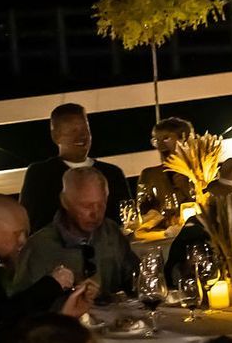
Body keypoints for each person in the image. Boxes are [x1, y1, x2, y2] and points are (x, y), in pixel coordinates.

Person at [0, 193, 91, 322]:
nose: (23, 241)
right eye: (17, 234)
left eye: (25, 234)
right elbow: (1, 318)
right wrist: (51, 284)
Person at [13, 166, 138, 296]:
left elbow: (135, 279)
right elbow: (24, 306)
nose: (95, 214)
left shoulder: (111, 232)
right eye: (86, 206)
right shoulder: (39, 247)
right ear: (65, 202)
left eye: (101, 205)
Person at [19, 102, 127, 231]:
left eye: (85, 129)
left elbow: (126, 221)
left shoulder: (112, 173)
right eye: (73, 131)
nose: (81, 136)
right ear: (56, 136)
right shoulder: (40, 174)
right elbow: (30, 223)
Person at [134, 116, 197, 230]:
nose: (161, 145)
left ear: (184, 140)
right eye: (156, 140)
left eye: (166, 138)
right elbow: (141, 214)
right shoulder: (149, 176)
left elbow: (211, 212)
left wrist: (187, 190)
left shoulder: (202, 173)